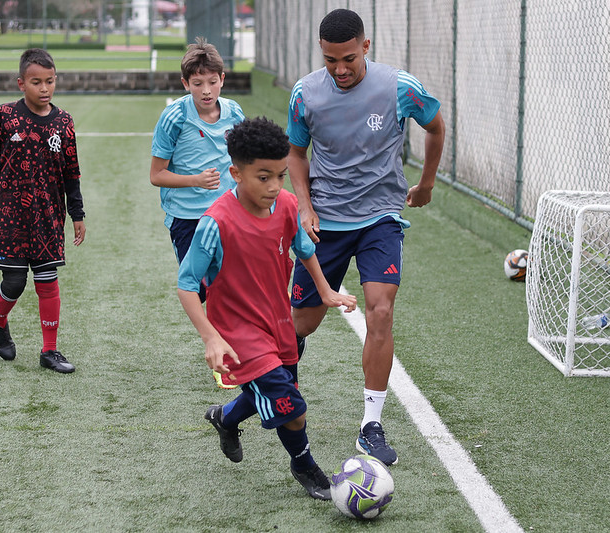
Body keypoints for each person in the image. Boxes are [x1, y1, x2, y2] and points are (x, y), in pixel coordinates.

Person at [286, 8, 446, 466]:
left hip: (380, 219)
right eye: (330, 60)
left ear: (366, 47)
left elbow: (435, 126)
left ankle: (371, 426)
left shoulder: (399, 87)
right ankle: (281, 392)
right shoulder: (305, 94)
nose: (340, 69)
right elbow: (296, 153)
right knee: (301, 325)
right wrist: (305, 205)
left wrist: (426, 183)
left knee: (381, 310)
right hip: (326, 222)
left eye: (349, 59)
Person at [177, 117, 358, 500]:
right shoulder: (216, 223)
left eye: (280, 175)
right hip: (238, 335)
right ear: (236, 174)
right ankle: (305, 467)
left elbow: (304, 249)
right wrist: (210, 337)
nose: (275, 186)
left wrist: (325, 291)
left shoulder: (287, 205)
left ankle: (225, 418)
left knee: (276, 389)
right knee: (293, 408)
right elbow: (187, 285)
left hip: (279, 324)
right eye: (264, 178)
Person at [0, 48, 86, 374]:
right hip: (9, 213)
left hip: (48, 214)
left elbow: (71, 172)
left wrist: (77, 214)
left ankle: (50, 350)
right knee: (15, 281)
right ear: (21, 83)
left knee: (47, 280)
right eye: (36, 82)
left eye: (50, 81)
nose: (45, 88)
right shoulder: (4, 116)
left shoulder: (64, 122)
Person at [150, 37, 245, 389]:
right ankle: (217, 343)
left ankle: (228, 357)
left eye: (212, 82)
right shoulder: (174, 118)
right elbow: (156, 175)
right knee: (202, 290)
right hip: (188, 220)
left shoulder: (234, 113)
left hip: (228, 215)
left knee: (229, 285)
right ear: (185, 83)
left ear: (222, 79)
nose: (206, 90)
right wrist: (196, 180)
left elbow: (245, 160)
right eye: (197, 83)